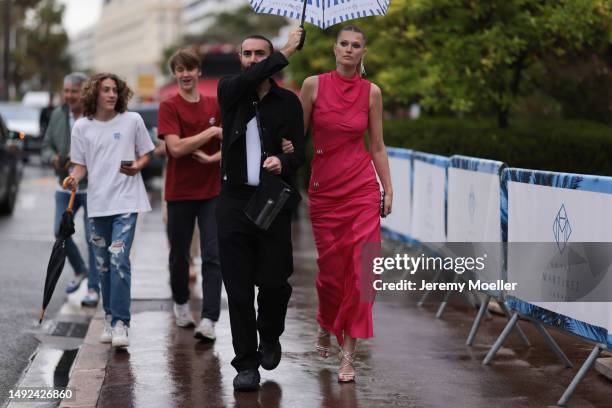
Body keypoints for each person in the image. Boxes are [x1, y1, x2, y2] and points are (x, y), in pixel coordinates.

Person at [299, 25, 393, 383]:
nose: (349, 50)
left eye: (356, 46)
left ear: (363, 52)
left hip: (361, 190)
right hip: (324, 192)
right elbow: (296, 134)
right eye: (344, 44)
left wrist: (388, 188)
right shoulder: (313, 85)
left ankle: (348, 355)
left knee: (362, 272)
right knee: (330, 275)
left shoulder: (372, 93)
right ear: (334, 48)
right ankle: (325, 321)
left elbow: (378, 146)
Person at [216, 28, 305, 391]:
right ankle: (246, 364)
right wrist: (283, 50)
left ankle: (269, 334)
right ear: (241, 59)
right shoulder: (230, 91)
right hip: (234, 201)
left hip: (272, 201)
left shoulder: (288, 103)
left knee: (273, 283)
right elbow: (250, 79)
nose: (253, 60)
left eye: (259, 54)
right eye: (247, 54)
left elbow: (300, 153)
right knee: (237, 291)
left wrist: (282, 160)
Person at [64, 73, 154, 349]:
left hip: (126, 202)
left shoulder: (132, 121)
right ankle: (109, 317)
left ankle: (121, 323)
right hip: (98, 204)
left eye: (115, 90)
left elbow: (146, 153)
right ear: (95, 94)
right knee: (103, 265)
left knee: (118, 261)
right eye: (106, 90)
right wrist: (74, 178)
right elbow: (80, 165)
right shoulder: (82, 127)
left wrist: (139, 165)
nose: (112, 94)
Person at [157, 48, 223, 341]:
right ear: (175, 74)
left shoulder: (214, 104)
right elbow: (176, 148)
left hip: (212, 191)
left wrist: (213, 157)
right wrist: (210, 134)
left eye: (190, 68)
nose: (185, 74)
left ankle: (209, 318)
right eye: (179, 69)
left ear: (198, 72)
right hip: (179, 191)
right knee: (179, 255)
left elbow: (231, 143)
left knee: (213, 255)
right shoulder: (168, 106)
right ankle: (181, 303)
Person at [41, 72, 100, 307]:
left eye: (73, 91)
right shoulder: (58, 114)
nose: (69, 95)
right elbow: (46, 146)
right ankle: (80, 270)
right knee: (59, 232)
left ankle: (94, 289)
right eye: (66, 91)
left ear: (84, 92)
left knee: (92, 238)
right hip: (64, 185)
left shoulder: (95, 116)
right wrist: (54, 158)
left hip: (91, 188)